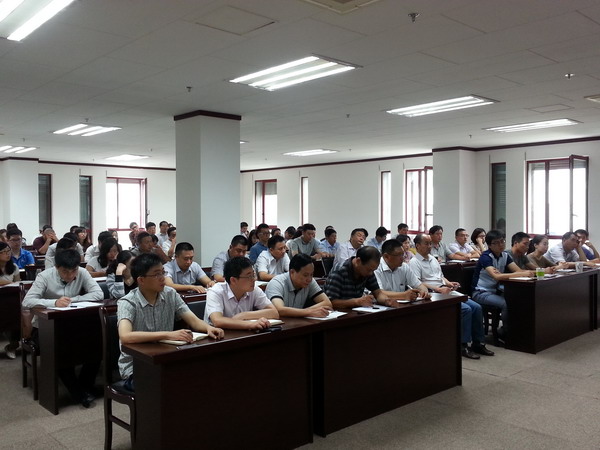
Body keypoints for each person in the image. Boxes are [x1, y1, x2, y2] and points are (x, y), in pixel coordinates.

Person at [117, 253, 224, 391]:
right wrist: (168, 335)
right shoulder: (127, 302)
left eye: (163, 272)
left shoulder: (170, 294)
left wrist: (208, 328)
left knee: (201, 376)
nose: (163, 278)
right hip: (137, 367)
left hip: (166, 359)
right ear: (141, 280)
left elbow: (193, 320)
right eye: (157, 274)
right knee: (171, 386)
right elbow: (125, 336)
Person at [22, 248, 103, 407]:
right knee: (59, 349)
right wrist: (54, 302)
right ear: (57, 267)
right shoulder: (44, 276)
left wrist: (73, 299)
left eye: (74, 271)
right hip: (44, 329)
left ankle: (85, 385)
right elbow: (27, 301)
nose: (70, 275)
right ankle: (78, 393)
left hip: (72, 326)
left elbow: (98, 294)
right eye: (65, 271)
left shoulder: (82, 273)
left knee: (97, 345)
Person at [409, 234, 494, 359]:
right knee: (466, 309)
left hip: (444, 290)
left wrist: (449, 283)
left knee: (477, 307)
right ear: (417, 246)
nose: (430, 246)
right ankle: (463, 345)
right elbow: (417, 283)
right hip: (432, 293)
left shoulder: (433, 259)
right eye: (426, 243)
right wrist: (438, 289)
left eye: (430, 243)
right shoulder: (414, 262)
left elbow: (440, 277)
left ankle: (478, 343)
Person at [471, 230, 535, 338]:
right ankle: (506, 333)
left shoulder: (505, 255)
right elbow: (497, 276)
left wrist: (533, 272)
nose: (501, 245)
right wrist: (519, 273)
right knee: (506, 303)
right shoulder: (486, 257)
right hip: (481, 292)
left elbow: (518, 271)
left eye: (502, 241)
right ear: (489, 245)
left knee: (519, 299)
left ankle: (519, 330)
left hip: (496, 291)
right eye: (496, 243)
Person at [204, 256, 279, 330]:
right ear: (233, 280)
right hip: (219, 335)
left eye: (253, 275)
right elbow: (217, 321)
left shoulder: (254, 289)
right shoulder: (216, 291)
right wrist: (251, 324)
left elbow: (274, 313)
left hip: (243, 334)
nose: (254, 280)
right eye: (249, 276)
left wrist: (244, 315)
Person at [324, 246, 393, 309]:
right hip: (338, 313)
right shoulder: (339, 271)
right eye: (369, 270)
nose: (371, 273)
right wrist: (356, 302)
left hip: (356, 311)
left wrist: (386, 301)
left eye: (373, 270)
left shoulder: (368, 270)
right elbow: (331, 302)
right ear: (358, 261)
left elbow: (378, 293)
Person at [266, 254, 333, 317]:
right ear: (292, 272)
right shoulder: (276, 283)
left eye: (311, 274)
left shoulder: (310, 281)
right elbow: (279, 310)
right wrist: (309, 312)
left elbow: (327, 303)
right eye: (305, 275)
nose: (309, 279)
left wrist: (305, 312)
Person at [0, 241, 20, 359]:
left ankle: (13, 345)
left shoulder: (14, 267)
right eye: (4, 252)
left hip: (11, 298)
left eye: (9, 251)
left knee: (17, 313)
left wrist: (11, 283)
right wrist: (8, 282)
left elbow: (18, 283)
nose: (8, 254)